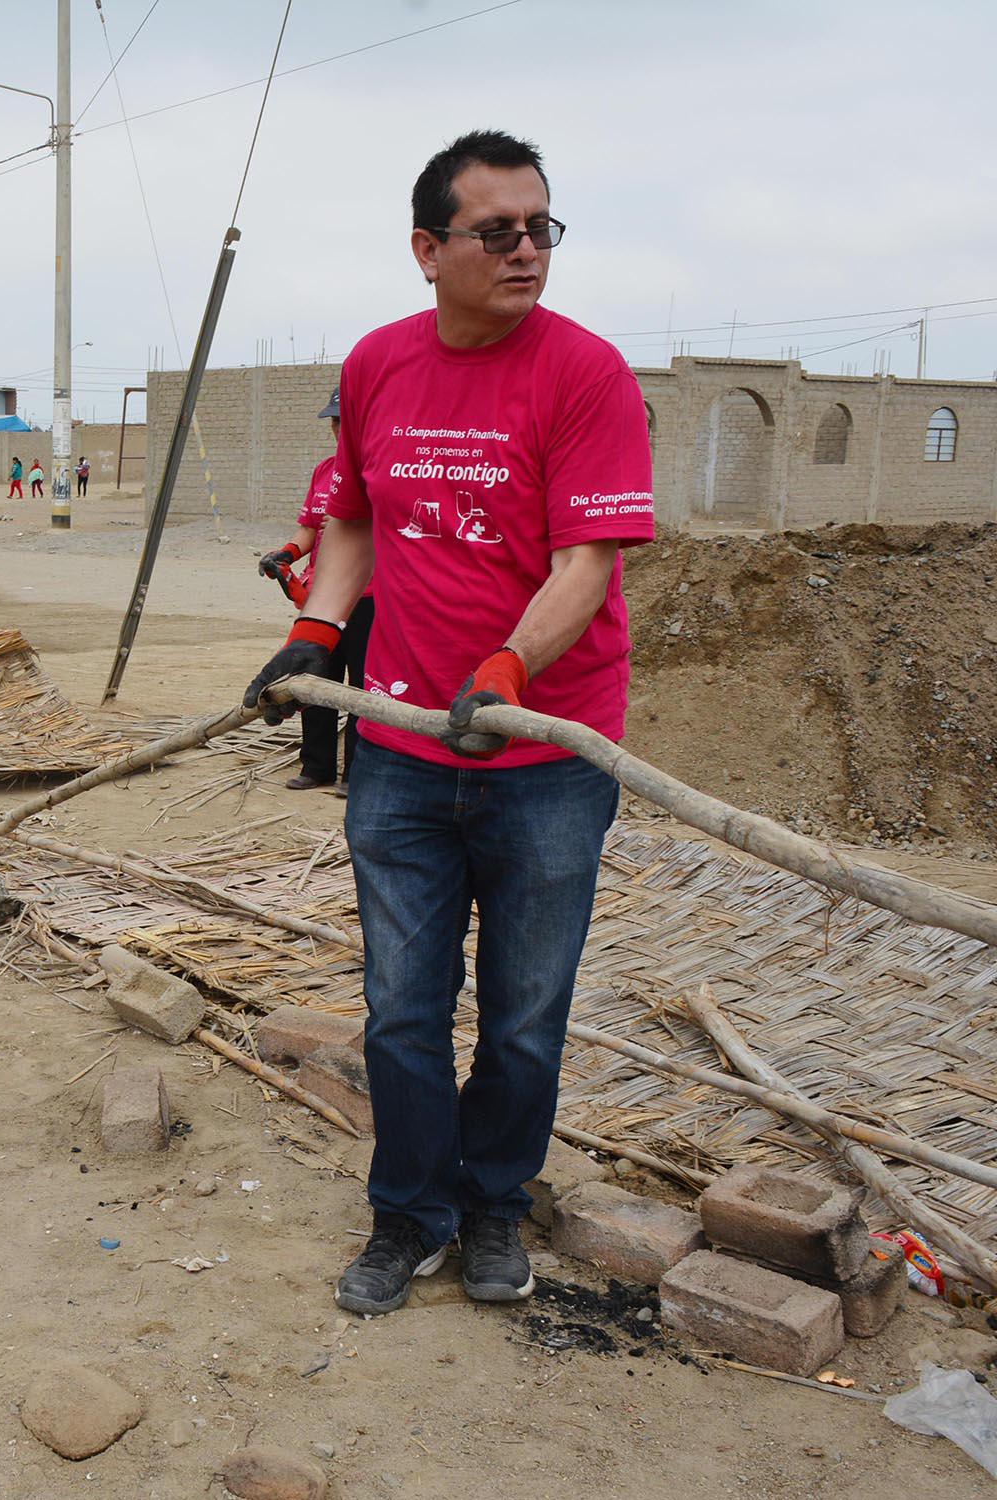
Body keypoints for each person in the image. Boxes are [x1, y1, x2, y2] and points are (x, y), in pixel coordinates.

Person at [241, 130, 654, 1316]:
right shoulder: (377, 365)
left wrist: (509, 664)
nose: (526, 251)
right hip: (399, 749)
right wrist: (318, 631)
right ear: (427, 250)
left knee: (524, 1016)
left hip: (543, 754)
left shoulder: (583, 373)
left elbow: (586, 563)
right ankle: (408, 1213)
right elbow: (355, 520)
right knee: (400, 1007)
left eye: (540, 227)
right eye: (496, 231)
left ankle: (492, 1204)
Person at [258, 388, 373, 793]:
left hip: (370, 598)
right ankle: (316, 766)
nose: (339, 429)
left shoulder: (381, 471)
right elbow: (309, 527)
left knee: (361, 686)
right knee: (315, 677)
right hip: (320, 597)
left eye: (346, 420)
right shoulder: (325, 471)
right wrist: (286, 553)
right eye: (335, 422)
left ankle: (354, 772)